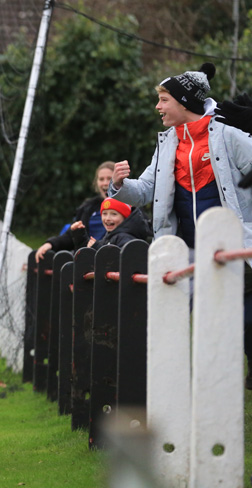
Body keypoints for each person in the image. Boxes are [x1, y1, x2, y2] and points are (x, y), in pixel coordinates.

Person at [109, 62, 252, 387]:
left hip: (234, 250)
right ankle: (174, 387)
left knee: (238, 320)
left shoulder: (227, 135)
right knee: (189, 321)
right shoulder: (168, 143)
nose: (158, 107)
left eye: (163, 100)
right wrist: (120, 185)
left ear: (184, 102)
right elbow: (143, 191)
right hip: (185, 252)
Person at [34, 161, 115, 262]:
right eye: (101, 179)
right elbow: (71, 235)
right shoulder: (88, 207)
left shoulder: (130, 207)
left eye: (109, 179)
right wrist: (50, 244)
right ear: (96, 182)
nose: (105, 183)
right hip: (84, 261)